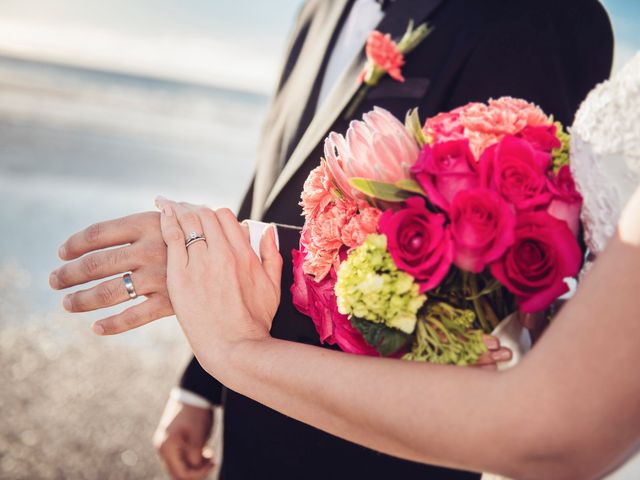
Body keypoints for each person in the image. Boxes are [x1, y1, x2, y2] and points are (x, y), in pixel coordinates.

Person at [49, 0, 613, 478]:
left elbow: (493, 284)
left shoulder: (545, 18)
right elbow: (271, 184)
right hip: (252, 411)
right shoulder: (320, 8)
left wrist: (214, 257)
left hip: (379, 446)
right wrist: (202, 382)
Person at [153, 53, 640, 480]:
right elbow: (274, 172)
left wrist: (234, 352)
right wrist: (202, 379)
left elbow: (515, 294)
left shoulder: (547, 24)